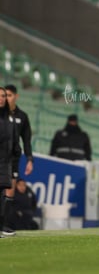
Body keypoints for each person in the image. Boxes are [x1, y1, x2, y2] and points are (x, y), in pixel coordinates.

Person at [2, 84, 34, 236]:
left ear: (16, 96)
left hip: (13, 158)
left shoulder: (22, 116)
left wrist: (29, 158)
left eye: (8, 95)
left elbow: (26, 140)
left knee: (10, 190)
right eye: (4, 95)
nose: (6, 98)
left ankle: (4, 225)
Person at [0, 87, 20, 238]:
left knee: (2, 195)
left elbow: (14, 142)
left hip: (5, 162)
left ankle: (1, 227)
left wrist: (15, 156)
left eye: (3, 96)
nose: (1, 98)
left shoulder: (9, 118)